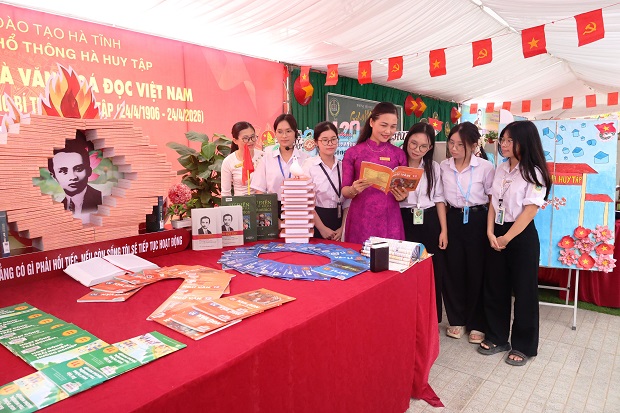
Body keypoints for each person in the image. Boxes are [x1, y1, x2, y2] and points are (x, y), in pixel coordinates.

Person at [478, 121, 551, 366]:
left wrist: (506, 238)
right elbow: (492, 203)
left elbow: (530, 211)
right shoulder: (500, 169)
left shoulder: (535, 172)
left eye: (510, 140)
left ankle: (524, 345)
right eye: (503, 140)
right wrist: (490, 232)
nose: (504, 144)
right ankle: (497, 337)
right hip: (496, 231)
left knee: (524, 291)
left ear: (524, 142)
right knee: (495, 287)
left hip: (520, 235)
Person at [440, 121, 494, 343]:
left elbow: (492, 200)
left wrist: (489, 230)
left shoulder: (485, 167)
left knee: (476, 271)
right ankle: (456, 319)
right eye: (451, 143)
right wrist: (444, 230)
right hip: (453, 218)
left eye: (460, 145)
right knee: (453, 270)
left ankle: (477, 322)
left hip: (478, 219)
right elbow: (440, 200)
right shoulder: (443, 166)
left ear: (473, 146)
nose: (454, 148)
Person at [399, 122, 448, 322]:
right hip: (404, 219)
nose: (417, 150)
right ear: (407, 140)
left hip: (429, 220)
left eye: (423, 146)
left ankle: (431, 318)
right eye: (413, 143)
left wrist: (443, 230)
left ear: (430, 148)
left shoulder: (433, 167)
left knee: (432, 269)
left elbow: (439, 199)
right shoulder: (398, 165)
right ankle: (408, 315)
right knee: (407, 268)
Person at [341, 102, 408, 244]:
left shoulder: (399, 154)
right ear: (371, 122)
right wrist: (353, 189)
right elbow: (345, 190)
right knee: (360, 256)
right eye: (383, 125)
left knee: (390, 256)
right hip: (361, 218)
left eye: (393, 126)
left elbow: (404, 188)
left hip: (390, 219)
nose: (388, 131)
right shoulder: (353, 153)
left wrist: (403, 196)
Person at [251, 114, 309, 217]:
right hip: (272, 209)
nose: (284, 136)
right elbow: (259, 191)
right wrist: (271, 217)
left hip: (299, 208)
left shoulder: (306, 159)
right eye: (280, 132)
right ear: (275, 134)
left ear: (295, 132)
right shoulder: (267, 159)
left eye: (288, 131)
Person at [302, 121, 349, 241]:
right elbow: (305, 201)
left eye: (333, 139)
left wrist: (342, 228)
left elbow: (348, 201)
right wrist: (322, 228)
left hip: (340, 220)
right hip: (316, 220)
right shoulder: (309, 166)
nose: (330, 144)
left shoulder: (343, 166)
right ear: (316, 142)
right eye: (325, 140)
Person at [48, 132, 102, 221]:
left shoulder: (103, 200)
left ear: (89, 171)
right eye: (63, 171)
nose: (72, 177)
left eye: (78, 169)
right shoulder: (58, 209)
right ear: (54, 177)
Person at [221, 121, 264, 196]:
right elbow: (225, 194)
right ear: (235, 141)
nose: (250, 141)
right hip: (240, 202)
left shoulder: (263, 156)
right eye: (245, 138)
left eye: (253, 137)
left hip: (262, 201)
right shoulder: (228, 161)